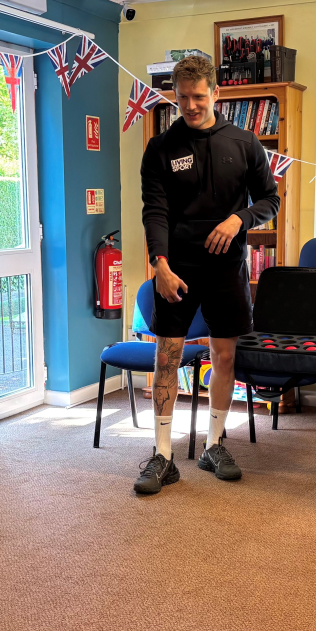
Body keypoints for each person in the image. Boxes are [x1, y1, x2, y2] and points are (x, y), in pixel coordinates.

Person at [134, 55, 280, 495]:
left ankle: (215, 444)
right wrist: (159, 264)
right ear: (173, 96)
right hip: (174, 270)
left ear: (216, 93)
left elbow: (270, 200)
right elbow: (154, 211)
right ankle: (162, 454)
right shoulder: (160, 148)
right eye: (182, 98)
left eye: (199, 96)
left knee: (225, 358)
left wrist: (241, 219)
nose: (191, 105)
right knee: (167, 358)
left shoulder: (245, 142)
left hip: (227, 269)